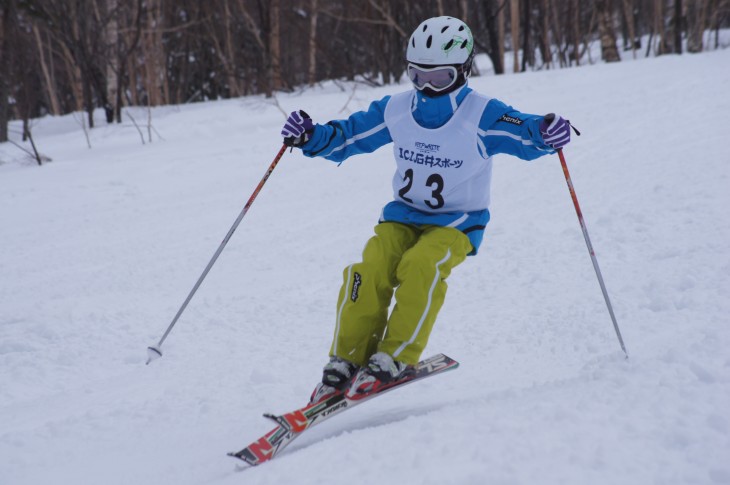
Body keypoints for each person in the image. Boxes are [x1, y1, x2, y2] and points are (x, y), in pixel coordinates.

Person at [280, 16, 572, 404]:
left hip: (457, 224)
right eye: (417, 76)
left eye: (439, 78)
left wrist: (546, 131)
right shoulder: (396, 109)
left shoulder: (482, 114)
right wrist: (311, 136)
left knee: (421, 266)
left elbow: (523, 130)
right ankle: (345, 361)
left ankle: (395, 356)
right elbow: (349, 136)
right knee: (368, 272)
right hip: (401, 215)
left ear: (464, 70)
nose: (426, 88)